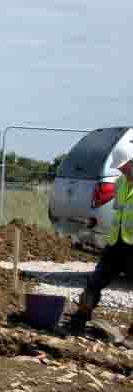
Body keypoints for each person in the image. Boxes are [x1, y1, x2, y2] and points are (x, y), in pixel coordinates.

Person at [70, 137, 133, 347]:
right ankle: (79, 320)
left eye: (125, 166)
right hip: (116, 243)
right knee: (95, 282)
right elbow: (120, 213)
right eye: (121, 167)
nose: (123, 171)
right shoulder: (121, 182)